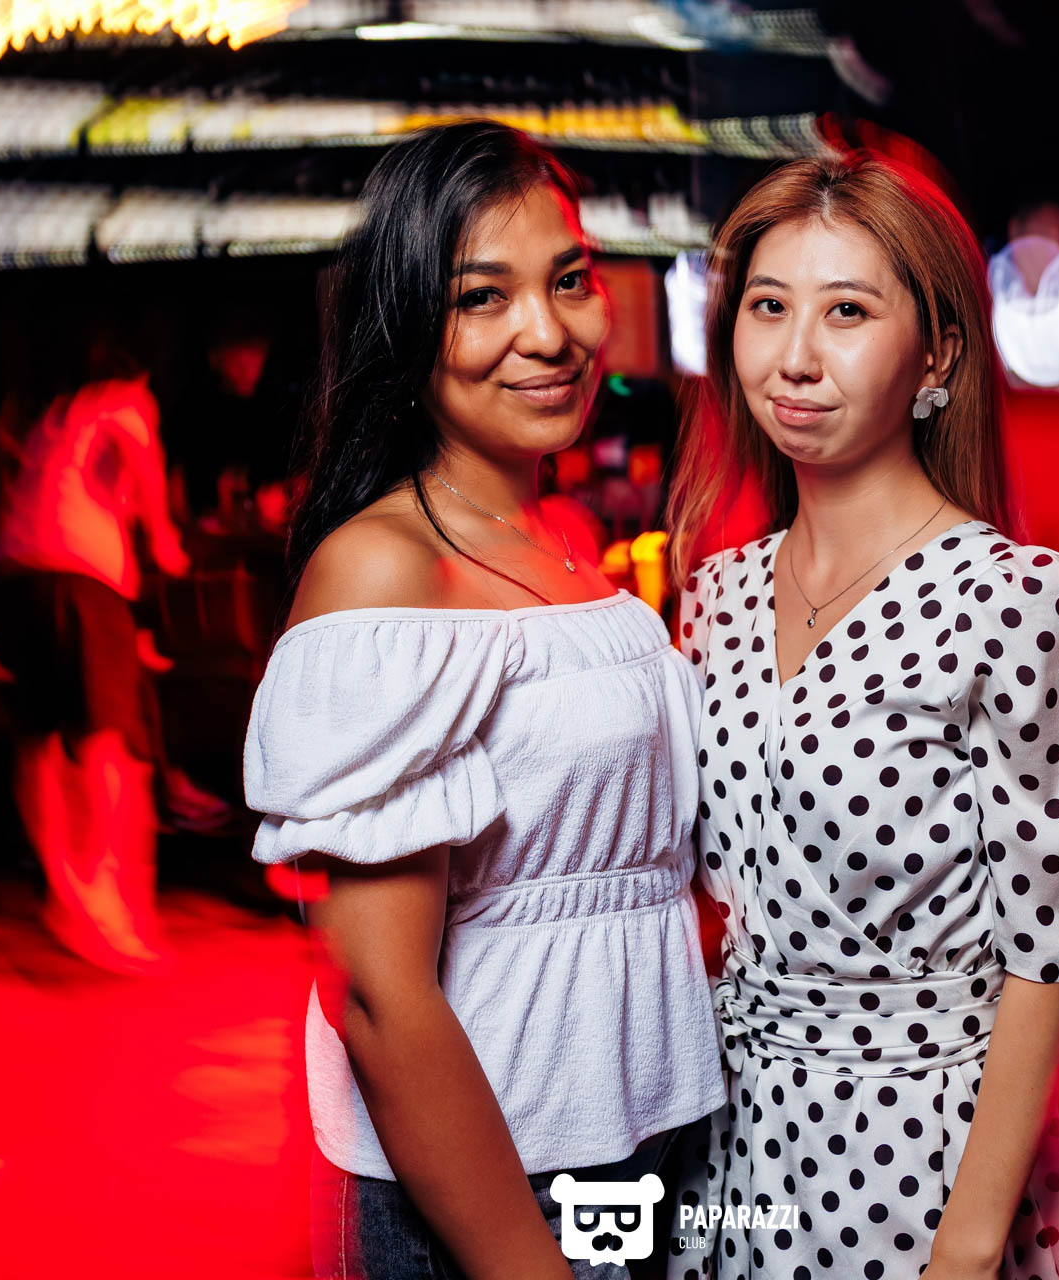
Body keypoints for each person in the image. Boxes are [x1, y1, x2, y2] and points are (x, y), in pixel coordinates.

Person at [244, 121, 725, 1280]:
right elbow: (379, 995)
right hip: (490, 1184)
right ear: (408, 326)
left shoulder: (560, 535)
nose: (548, 332)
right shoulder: (385, 568)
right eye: (482, 297)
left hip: (635, 1136)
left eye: (569, 280)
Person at [665, 151, 1059, 1280]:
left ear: (937, 355)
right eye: (768, 307)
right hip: (728, 1141)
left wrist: (966, 1244)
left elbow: (1051, 951)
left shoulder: (1015, 601)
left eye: (847, 311)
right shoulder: (719, 592)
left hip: (916, 1155)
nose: (796, 356)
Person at [0, 350, 191, 972]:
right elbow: (139, 458)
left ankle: (64, 897)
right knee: (110, 744)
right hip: (81, 576)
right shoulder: (127, 398)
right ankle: (106, 910)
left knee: (44, 741)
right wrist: (163, 535)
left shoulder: (53, 414)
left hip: (16, 577)